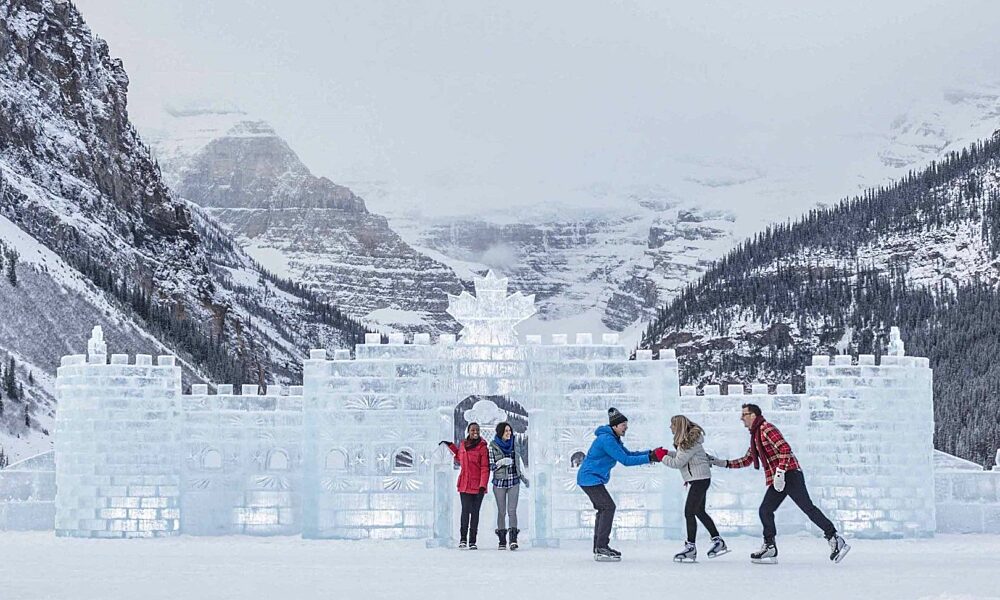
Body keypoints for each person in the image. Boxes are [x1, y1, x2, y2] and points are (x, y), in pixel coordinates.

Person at [708, 403, 850, 564]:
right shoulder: (756, 435)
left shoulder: (766, 428)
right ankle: (770, 547)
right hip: (779, 478)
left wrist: (781, 472)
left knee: (807, 508)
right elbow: (747, 459)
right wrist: (722, 463)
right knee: (765, 510)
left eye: (744, 414)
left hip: (789, 474)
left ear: (753, 415)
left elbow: (785, 449)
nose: (741, 418)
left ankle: (835, 538)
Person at [577, 407, 667, 562]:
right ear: (615, 426)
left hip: (591, 478)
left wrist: (650, 454)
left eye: (626, 424)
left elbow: (629, 454)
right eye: (624, 425)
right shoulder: (607, 440)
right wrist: (650, 458)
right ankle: (601, 547)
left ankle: (599, 546)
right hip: (589, 478)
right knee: (608, 507)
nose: (626, 427)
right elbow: (625, 461)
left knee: (603, 508)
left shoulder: (612, 438)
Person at [660, 415, 728, 562]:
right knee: (699, 511)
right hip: (700, 480)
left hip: (699, 480)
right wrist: (665, 453)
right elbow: (681, 456)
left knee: (689, 512)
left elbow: (677, 462)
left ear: (678, 426)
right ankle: (718, 541)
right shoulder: (688, 442)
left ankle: (691, 547)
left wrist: (661, 457)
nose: (670, 427)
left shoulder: (688, 443)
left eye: (672, 425)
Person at [440, 422, 489, 549]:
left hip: (478, 486)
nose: (475, 432)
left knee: (475, 513)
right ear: (468, 431)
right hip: (464, 484)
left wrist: (483, 486)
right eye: (473, 430)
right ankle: (463, 539)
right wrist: (450, 446)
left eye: (477, 430)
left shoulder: (483, 447)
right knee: (465, 512)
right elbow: (459, 458)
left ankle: (472, 541)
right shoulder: (463, 444)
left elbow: (485, 468)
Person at [488, 421, 529, 550]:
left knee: (512, 511)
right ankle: (501, 540)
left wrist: (523, 477)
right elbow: (491, 466)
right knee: (501, 511)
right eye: (506, 431)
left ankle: (513, 539)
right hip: (499, 482)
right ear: (500, 432)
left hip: (514, 481)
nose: (509, 433)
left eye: (509, 430)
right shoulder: (493, 446)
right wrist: (501, 463)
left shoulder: (514, 444)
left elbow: (519, 462)